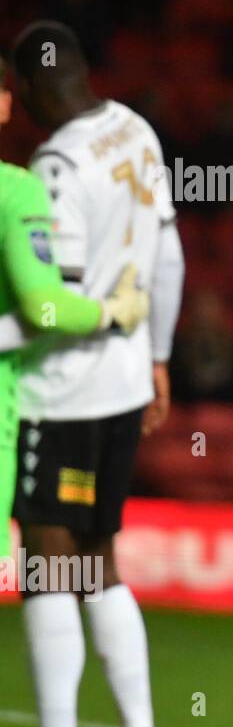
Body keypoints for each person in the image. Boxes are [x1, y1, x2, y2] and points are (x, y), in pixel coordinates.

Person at [9, 21, 185, 727]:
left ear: (32, 88)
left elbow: (58, 311)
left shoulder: (54, 168)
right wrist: (158, 355)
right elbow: (168, 252)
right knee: (100, 563)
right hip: (122, 382)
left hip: (65, 392)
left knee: (49, 566)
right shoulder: (134, 129)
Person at [0, 52, 149, 560]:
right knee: (89, 563)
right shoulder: (16, 189)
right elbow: (46, 308)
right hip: (84, 388)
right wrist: (111, 312)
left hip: (84, 396)